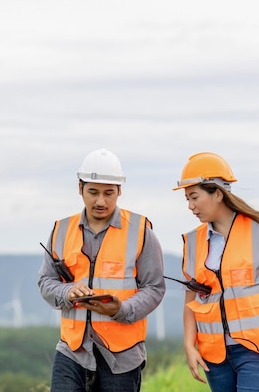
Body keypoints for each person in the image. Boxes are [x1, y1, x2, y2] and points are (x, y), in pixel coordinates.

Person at [172, 152, 259, 392]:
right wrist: (189, 345)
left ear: (217, 193)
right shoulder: (193, 242)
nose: (190, 206)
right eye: (187, 199)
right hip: (215, 356)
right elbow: (190, 301)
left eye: (194, 197)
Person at [38, 148, 165, 392]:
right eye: (93, 192)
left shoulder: (140, 231)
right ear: (80, 188)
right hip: (73, 349)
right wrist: (68, 291)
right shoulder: (61, 230)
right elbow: (46, 281)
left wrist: (123, 309)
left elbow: (154, 287)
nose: (101, 201)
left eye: (109, 193)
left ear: (119, 191)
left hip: (122, 355)